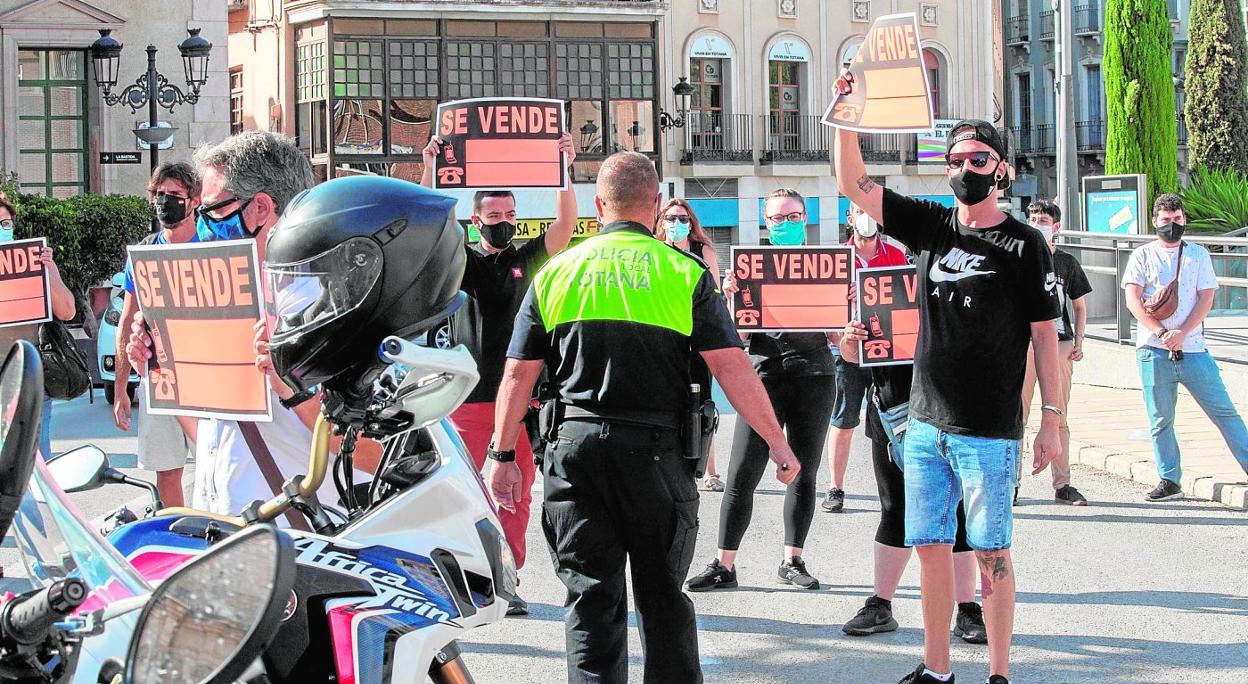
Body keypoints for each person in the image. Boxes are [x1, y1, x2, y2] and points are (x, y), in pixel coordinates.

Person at [484, 151, 799, 684]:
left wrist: (501, 455)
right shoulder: (685, 274)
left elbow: (516, 376)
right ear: (656, 206)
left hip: (576, 450)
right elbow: (732, 369)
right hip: (659, 457)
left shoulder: (555, 273)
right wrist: (779, 445)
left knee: (590, 600)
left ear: (598, 205)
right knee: (662, 600)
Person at [835, 76, 1064, 684]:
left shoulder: (1025, 245)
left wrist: (1053, 423)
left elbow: (1046, 337)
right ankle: (937, 669)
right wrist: (848, 112)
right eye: (956, 159)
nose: (966, 168)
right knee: (932, 552)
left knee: (990, 554)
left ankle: (997, 672)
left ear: (1002, 170)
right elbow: (851, 183)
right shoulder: (933, 227)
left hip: (988, 431)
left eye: (978, 159)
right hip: (924, 425)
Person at [126, 131, 379, 520]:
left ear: (260, 209)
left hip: (297, 547)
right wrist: (159, 362)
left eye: (210, 211)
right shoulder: (216, 301)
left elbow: (375, 454)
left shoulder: (329, 305)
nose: (200, 223)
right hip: (228, 534)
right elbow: (214, 435)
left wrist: (294, 391)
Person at [419, 133, 577, 616]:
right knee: (461, 495)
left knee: (515, 495)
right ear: (475, 220)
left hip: (515, 399)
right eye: (495, 217)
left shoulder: (524, 259)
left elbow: (566, 225)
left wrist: (563, 168)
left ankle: (506, 581)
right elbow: (428, 228)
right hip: (463, 397)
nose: (504, 223)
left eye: (510, 215)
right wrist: (429, 166)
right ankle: (462, 581)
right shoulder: (460, 259)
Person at [685, 189, 835, 593]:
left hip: (815, 374)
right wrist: (733, 302)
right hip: (763, 375)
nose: (784, 224)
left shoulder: (828, 266)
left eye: (792, 216)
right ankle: (724, 563)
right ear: (765, 223)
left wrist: (847, 307)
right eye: (776, 219)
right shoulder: (752, 267)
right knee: (742, 473)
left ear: (806, 218)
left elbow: (839, 335)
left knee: (804, 470)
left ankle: (793, 559)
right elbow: (742, 335)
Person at [836, 319, 986, 644]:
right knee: (894, 507)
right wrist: (849, 339)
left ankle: (968, 609)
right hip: (892, 413)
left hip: (951, 407)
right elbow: (849, 354)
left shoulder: (953, 272)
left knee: (956, 509)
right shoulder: (876, 274)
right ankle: (880, 604)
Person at [1122, 193, 1248, 502]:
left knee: (1224, 413)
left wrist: (1182, 332)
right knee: (1160, 419)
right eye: (1166, 220)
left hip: (1193, 350)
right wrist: (1162, 332)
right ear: (1155, 221)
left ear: (1184, 220)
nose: (1172, 225)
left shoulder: (1198, 255)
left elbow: (1206, 298)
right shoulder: (1142, 255)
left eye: (1177, 219)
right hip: (1153, 350)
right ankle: (1169, 479)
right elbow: (1133, 300)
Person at [114, 162, 201, 508]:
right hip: (160, 376)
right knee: (167, 471)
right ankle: (180, 542)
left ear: (194, 200)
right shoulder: (144, 253)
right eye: (159, 195)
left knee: (221, 465)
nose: (166, 202)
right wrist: (122, 387)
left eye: (175, 195)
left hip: (207, 374)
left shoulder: (214, 243)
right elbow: (128, 318)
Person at [823, 202, 909, 513]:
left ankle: (897, 482)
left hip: (890, 351)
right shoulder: (838, 260)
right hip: (849, 349)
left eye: (870, 211)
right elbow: (826, 316)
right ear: (849, 218)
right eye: (859, 211)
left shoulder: (896, 255)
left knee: (895, 416)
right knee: (845, 418)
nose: (866, 217)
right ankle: (835, 487)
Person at [1020, 200, 1092, 506]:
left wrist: (1079, 342)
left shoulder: (1066, 263)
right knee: (1016, 416)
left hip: (1059, 344)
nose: (1038, 223)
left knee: (1058, 415)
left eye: (1044, 219)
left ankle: (1063, 485)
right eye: (1033, 218)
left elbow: (1078, 306)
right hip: (1022, 345)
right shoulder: (1017, 258)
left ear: (1056, 226)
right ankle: (1010, 484)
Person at [655, 198, 725, 492]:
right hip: (666, 340)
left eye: (682, 218)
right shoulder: (655, 252)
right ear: (661, 222)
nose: (677, 224)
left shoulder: (703, 251)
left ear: (691, 222)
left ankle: (709, 470)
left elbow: (716, 296)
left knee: (704, 403)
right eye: (670, 218)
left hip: (697, 339)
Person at [0, 192, 75, 462]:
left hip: (28, 380)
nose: (2, 229)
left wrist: (46, 271)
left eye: (5, 224)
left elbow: (67, 311)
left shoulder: (32, 261)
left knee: (36, 464)